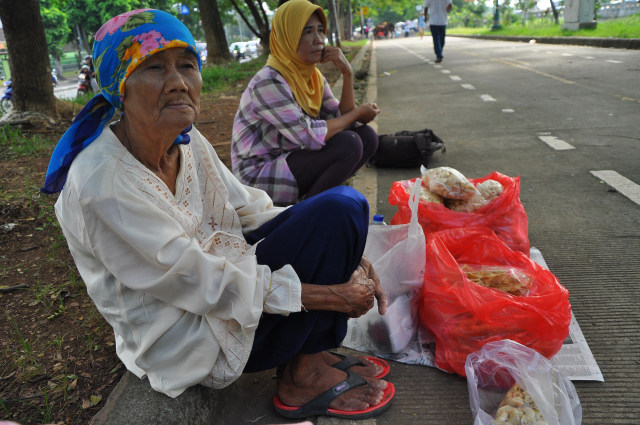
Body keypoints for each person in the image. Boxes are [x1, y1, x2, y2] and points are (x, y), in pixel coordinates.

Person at [41, 8, 394, 420]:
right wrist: (329, 296)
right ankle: (302, 379)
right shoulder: (102, 184)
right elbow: (196, 279)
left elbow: (250, 207)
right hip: (186, 334)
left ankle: (308, 357)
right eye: (154, 68)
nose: (177, 83)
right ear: (119, 86)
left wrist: (350, 253)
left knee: (342, 210)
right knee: (340, 210)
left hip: (228, 280)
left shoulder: (185, 141)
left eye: (187, 66)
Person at [231, 0, 380, 206]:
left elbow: (343, 120)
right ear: (288, 38)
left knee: (367, 137)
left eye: (320, 30)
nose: (318, 39)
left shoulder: (312, 76)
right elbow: (308, 135)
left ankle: (315, 202)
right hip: (258, 176)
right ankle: (306, 215)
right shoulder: (269, 81)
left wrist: (347, 74)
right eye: (308, 32)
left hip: (291, 159)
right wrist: (356, 114)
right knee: (349, 144)